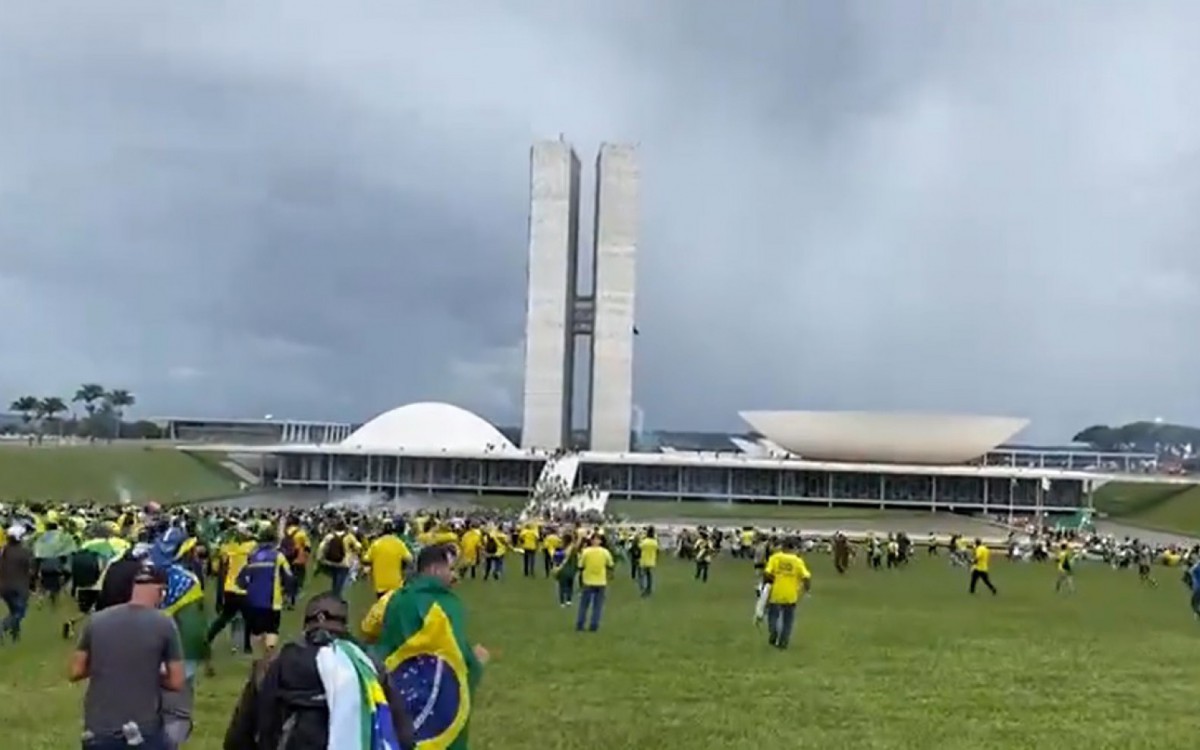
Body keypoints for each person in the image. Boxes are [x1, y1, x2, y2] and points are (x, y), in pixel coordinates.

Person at [224, 593, 413, 750]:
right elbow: (401, 733)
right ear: (344, 624)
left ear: (306, 624)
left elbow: (238, 737)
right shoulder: (369, 667)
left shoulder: (272, 664)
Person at [373, 543, 488, 748]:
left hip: (401, 688)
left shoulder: (396, 599)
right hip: (438, 693)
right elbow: (454, 653)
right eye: (450, 569)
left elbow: (380, 639)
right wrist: (476, 663)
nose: (453, 576)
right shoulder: (445, 604)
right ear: (435, 569)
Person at [70, 565, 186, 750]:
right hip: (143, 729)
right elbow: (177, 681)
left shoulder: (96, 619)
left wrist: (110, 665)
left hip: (98, 730)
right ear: (161, 591)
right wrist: (148, 669)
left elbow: (75, 671)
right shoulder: (164, 623)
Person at [237, 529, 293, 654]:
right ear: (274, 542)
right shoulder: (278, 556)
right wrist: (287, 592)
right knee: (272, 630)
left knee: (256, 632)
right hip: (273, 602)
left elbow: (241, 581)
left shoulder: (252, 557)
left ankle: (259, 661)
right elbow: (289, 576)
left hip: (252, 602)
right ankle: (269, 659)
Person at [761, 537, 812, 650]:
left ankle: (774, 632)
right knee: (788, 621)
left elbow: (767, 573)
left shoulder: (775, 558)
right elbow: (806, 577)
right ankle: (783, 642)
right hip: (791, 595)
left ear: (783, 546)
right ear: (794, 548)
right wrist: (807, 590)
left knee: (773, 617)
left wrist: (766, 585)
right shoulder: (797, 561)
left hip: (776, 593)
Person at [0, 524, 33, 643]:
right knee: (20, 612)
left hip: (3, 586)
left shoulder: (4, 550)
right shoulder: (25, 552)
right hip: (18, 586)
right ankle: (3, 627)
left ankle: (15, 635)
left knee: (13, 611)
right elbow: (30, 570)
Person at [362, 522, 413, 599]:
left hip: (380, 585)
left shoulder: (376, 544)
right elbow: (409, 558)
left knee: (382, 608)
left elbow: (366, 559)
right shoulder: (398, 543)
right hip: (396, 584)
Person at [576, 535, 614, 632]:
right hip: (600, 581)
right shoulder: (605, 552)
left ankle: (580, 624)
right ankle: (594, 625)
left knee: (584, 605)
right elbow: (610, 564)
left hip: (588, 580)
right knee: (598, 606)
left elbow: (580, 565)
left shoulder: (586, 552)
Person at [637, 527, 659, 597]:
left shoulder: (645, 541)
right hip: (651, 561)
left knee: (642, 576)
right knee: (649, 575)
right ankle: (649, 588)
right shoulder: (654, 542)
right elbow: (657, 549)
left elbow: (639, 547)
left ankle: (644, 589)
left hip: (644, 560)